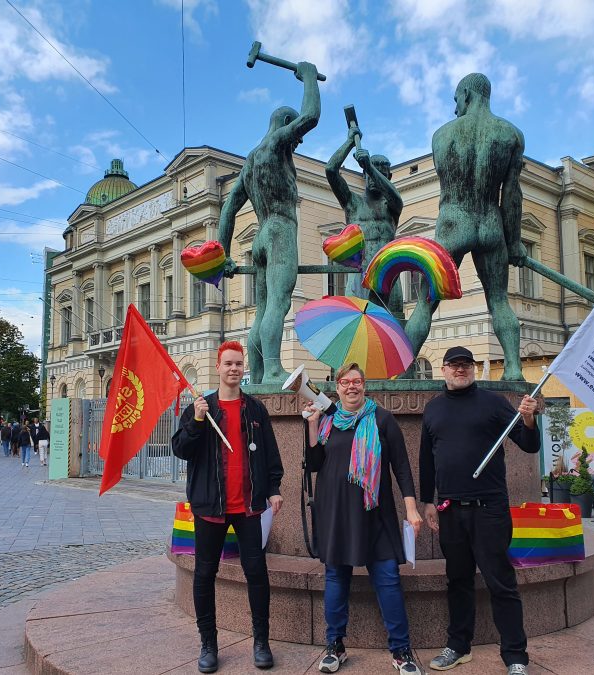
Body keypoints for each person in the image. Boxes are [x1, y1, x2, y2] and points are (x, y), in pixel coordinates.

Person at [419, 346, 539, 674]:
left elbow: (529, 445)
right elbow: (426, 460)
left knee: (501, 582)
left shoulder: (493, 403)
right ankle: (458, 646)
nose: (461, 370)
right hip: (449, 509)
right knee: (457, 580)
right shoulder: (433, 409)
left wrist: (528, 418)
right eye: (455, 365)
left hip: (490, 509)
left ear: (473, 369)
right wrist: (427, 501)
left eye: (466, 365)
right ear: (442, 370)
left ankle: (515, 655)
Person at [172, 341, 284, 673]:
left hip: (250, 507)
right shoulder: (202, 407)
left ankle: (261, 642)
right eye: (228, 364)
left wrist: (274, 489)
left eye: (238, 364)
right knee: (205, 574)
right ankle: (208, 643)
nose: (233, 369)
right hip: (210, 507)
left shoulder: (255, 409)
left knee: (257, 574)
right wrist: (196, 421)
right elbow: (180, 449)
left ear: (242, 368)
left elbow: (271, 454)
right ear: (218, 368)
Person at [405, 73, 526, 381]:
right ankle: (513, 368)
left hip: (453, 223)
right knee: (499, 299)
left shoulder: (442, 135)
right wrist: (514, 242)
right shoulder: (511, 134)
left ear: (468, 94)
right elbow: (511, 195)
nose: (455, 107)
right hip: (490, 223)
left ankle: (404, 369)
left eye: (456, 99)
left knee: (425, 303)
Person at [304, 363, 422, 674]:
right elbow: (314, 464)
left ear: (364, 385)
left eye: (357, 381)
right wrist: (313, 426)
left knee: (387, 579)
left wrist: (411, 508)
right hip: (335, 512)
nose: (351, 387)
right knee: (336, 578)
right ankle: (335, 646)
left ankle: (400, 650)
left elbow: (402, 467)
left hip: (374, 513)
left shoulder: (382, 419)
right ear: (337, 386)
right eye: (345, 382)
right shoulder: (327, 418)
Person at [218, 60, 321, 384]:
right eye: (296, 136)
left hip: (261, 233)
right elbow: (311, 117)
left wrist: (223, 255)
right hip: (279, 229)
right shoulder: (275, 145)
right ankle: (274, 368)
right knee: (278, 301)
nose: (298, 142)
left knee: (262, 309)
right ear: (285, 125)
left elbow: (229, 209)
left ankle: (260, 372)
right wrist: (308, 78)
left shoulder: (250, 161)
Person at [325, 126, 403, 315]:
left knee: (394, 330)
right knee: (359, 331)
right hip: (359, 277)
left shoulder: (391, 206)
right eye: (368, 174)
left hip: (388, 276)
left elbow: (397, 199)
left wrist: (369, 166)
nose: (373, 179)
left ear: (388, 178)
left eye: (380, 175)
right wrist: (350, 142)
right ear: (363, 176)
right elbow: (330, 170)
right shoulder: (353, 203)